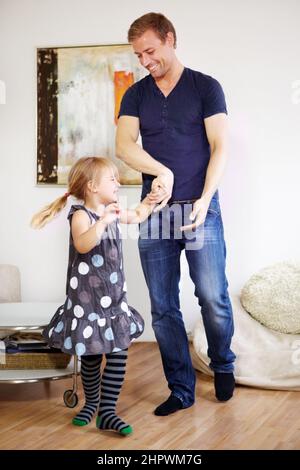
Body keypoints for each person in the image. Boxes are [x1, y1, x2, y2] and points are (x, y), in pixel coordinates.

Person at [116, 12, 236, 416]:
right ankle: (181, 389)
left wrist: (205, 199)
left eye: (150, 51)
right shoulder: (136, 95)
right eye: (139, 55)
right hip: (156, 212)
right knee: (163, 306)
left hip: (201, 209)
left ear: (170, 39)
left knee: (211, 297)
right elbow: (124, 146)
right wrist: (161, 171)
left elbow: (220, 146)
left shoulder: (206, 87)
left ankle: (223, 362)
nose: (145, 61)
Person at [31, 156, 154, 435]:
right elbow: (83, 244)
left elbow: (136, 216)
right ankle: (91, 403)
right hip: (87, 304)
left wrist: (151, 200)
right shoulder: (80, 215)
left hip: (113, 303)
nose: (118, 182)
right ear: (92, 187)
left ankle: (107, 411)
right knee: (90, 356)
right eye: (112, 178)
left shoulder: (112, 209)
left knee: (119, 353)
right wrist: (103, 221)